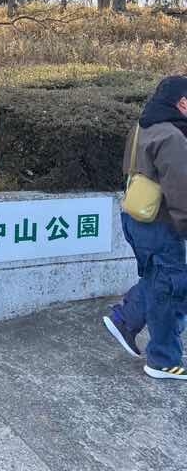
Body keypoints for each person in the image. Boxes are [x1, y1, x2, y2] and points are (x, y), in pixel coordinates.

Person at [103, 76, 187, 380]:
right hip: (160, 223)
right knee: (173, 287)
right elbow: (181, 191)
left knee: (160, 277)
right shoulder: (173, 137)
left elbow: (130, 169)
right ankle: (163, 360)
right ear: (182, 102)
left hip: (135, 218)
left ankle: (126, 318)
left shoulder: (143, 127)